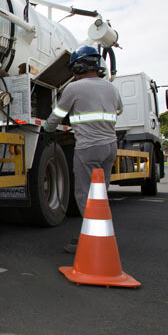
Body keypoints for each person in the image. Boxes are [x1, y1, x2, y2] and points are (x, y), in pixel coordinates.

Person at [42, 45, 122, 253]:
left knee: (85, 194)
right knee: (101, 192)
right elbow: (119, 108)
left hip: (88, 147)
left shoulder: (74, 88)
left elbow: (57, 114)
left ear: (78, 67)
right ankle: (101, 234)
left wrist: (47, 128)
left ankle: (90, 238)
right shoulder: (111, 88)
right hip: (110, 145)